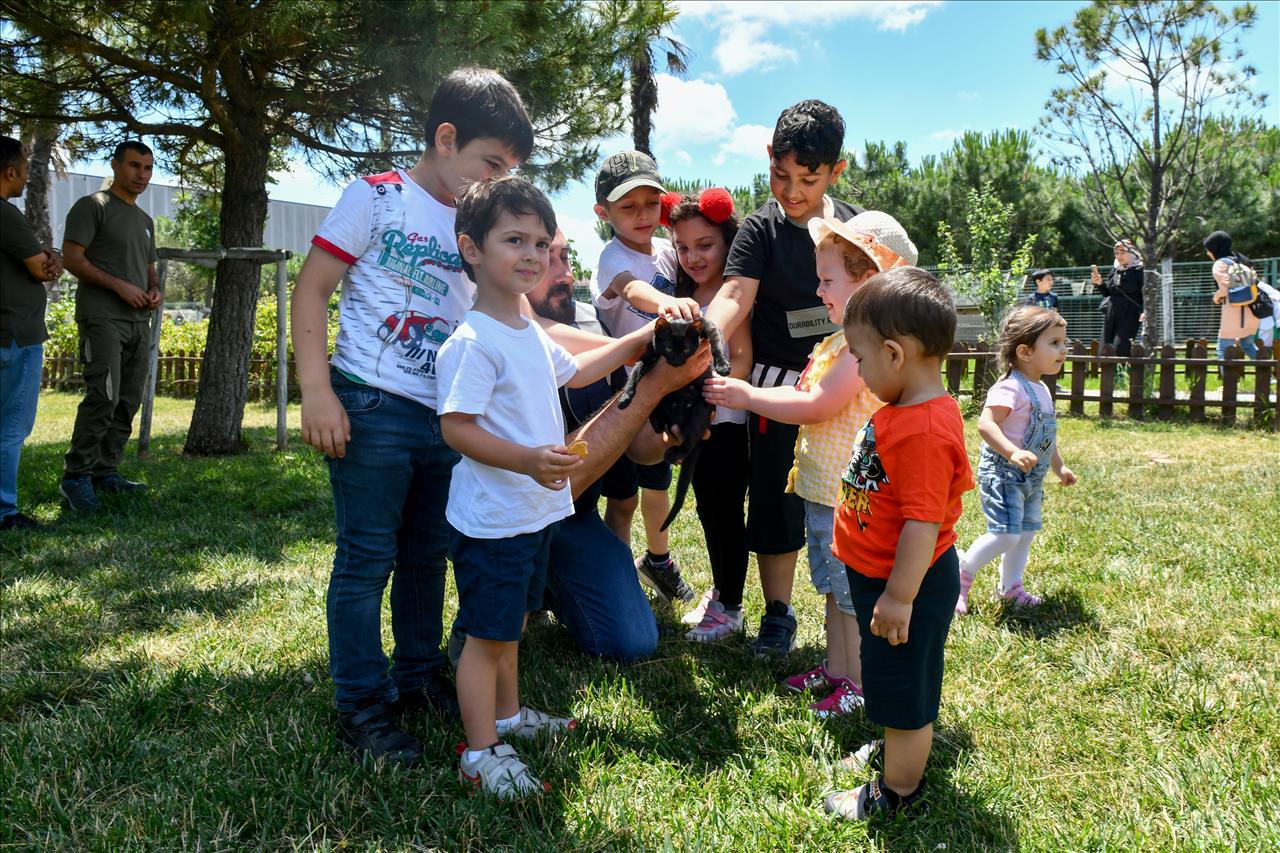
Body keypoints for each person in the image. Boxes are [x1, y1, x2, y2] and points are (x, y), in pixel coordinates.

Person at [292, 67, 534, 767]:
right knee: (367, 557)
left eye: (508, 170)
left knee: (427, 555)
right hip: (370, 404)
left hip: (444, 418)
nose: (495, 182)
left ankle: (419, 674)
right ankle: (360, 704)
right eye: (490, 164)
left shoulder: (475, 227)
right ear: (445, 136)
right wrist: (316, 389)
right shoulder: (376, 197)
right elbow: (312, 289)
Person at [438, 177, 650, 799]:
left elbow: (579, 368)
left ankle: (506, 718)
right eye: (514, 240)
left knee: (514, 626)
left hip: (533, 516)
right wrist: (529, 459)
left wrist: (638, 340)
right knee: (486, 636)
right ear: (471, 248)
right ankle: (480, 753)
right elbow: (455, 428)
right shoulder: (474, 341)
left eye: (540, 242)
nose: (531, 255)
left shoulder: (528, 332)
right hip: (495, 520)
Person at [706, 211, 913, 716]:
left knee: (849, 595)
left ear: (867, 281)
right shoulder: (841, 341)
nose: (818, 291)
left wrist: (747, 394)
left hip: (852, 500)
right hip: (826, 496)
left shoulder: (860, 351)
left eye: (827, 281)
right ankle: (837, 670)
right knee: (831, 587)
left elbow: (818, 404)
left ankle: (859, 684)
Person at [703, 99, 864, 658]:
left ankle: (849, 613)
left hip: (847, 382)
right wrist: (708, 331)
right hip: (776, 387)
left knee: (845, 496)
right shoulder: (758, 229)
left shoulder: (856, 230)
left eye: (808, 179)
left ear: (836, 171)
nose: (791, 191)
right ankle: (778, 611)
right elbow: (734, 295)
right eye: (780, 175)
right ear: (768, 158)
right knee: (774, 498)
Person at [823, 267, 974, 820]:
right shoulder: (903, 412)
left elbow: (923, 523)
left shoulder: (925, 431)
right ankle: (893, 752)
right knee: (889, 677)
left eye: (859, 360)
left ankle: (897, 794)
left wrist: (900, 596)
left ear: (893, 353)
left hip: (904, 585)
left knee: (906, 692)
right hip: (883, 580)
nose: (858, 372)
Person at [589, 150, 696, 604]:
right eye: (627, 207)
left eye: (650, 205)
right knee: (622, 496)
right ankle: (615, 579)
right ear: (603, 213)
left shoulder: (670, 252)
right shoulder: (611, 257)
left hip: (665, 389)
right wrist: (664, 307)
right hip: (624, 392)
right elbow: (633, 289)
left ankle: (658, 559)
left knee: (657, 483)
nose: (641, 216)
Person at [659, 188, 752, 641]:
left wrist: (711, 402)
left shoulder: (736, 292)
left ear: (727, 242)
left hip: (726, 423)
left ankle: (730, 608)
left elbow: (743, 358)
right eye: (682, 247)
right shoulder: (683, 294)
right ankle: (721, 591)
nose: (692, 256)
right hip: (699, 422)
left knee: (723, 512)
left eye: (704, 245)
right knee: (708, 507)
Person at [956, 305, 1078, 615]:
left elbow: (1046, 437)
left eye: (1063, 342)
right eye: (1054, 343)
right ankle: (960, 577)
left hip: (1031, 479)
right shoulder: (1010, 387)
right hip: (1004, 474)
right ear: (1024, 351)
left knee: (1024, 534)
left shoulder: (1042, 389)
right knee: (1005, 534)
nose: (1063, 349)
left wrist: (1058, 466)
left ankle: (1010, 588)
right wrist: (1011, 451)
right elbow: (985, 424)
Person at [59, 140, 160, 512]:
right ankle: (75, 477)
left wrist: (154, 291)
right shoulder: (92, 207)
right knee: (104, 395)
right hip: (102, 317)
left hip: (139, 321)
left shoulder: (145, 221)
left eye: (148, 168)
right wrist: (119, 286)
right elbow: (72, 258)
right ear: (116, 165)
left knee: (129, 398)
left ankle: (106, 472)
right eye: (134, 166)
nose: (142, 175)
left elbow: (151, 272)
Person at [0, 135, 64, 531]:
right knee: (10, 427)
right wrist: (51, 258)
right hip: (13, 333)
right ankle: (4, 512)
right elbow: (41, 268)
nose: (26, 175)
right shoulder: (5, 213)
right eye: (24, 168)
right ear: (10, 172)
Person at [1204, 230, 1261, 362]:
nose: (1207, 253)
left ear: (1215, 248)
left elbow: (1225, 287)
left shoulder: (1220, 264)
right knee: (1248, 345)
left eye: (1208, 249)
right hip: (1251, 311)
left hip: (1233, 314)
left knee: (1223, 349)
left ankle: (1229, 383)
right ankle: (1268, 377)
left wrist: (1216, 297)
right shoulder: (1242, 260)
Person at [1090, 240, 1144, 358]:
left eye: (1122, 252)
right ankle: (1107, 376)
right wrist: (1100, 283)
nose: (1119, 256)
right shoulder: (1116, 270)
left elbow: (1145, 293)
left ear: (1132, 252)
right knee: (1106, 347)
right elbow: (1108, 293)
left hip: (1130, 313)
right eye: (1116, 253)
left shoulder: (1140, 271)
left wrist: (1145, 311)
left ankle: (1121, 375)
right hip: (1112, 312)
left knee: (1121, 347)